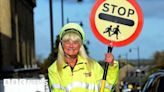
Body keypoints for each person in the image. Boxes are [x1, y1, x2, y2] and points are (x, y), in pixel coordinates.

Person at [48, 23, 119, 92]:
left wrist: (111, 66)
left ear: (80, 45)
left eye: (75, 42)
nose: (71, 46)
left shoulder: (93, 66)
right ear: (62, 44)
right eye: (67, 42)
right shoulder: (53, 70)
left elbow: (107, 88)